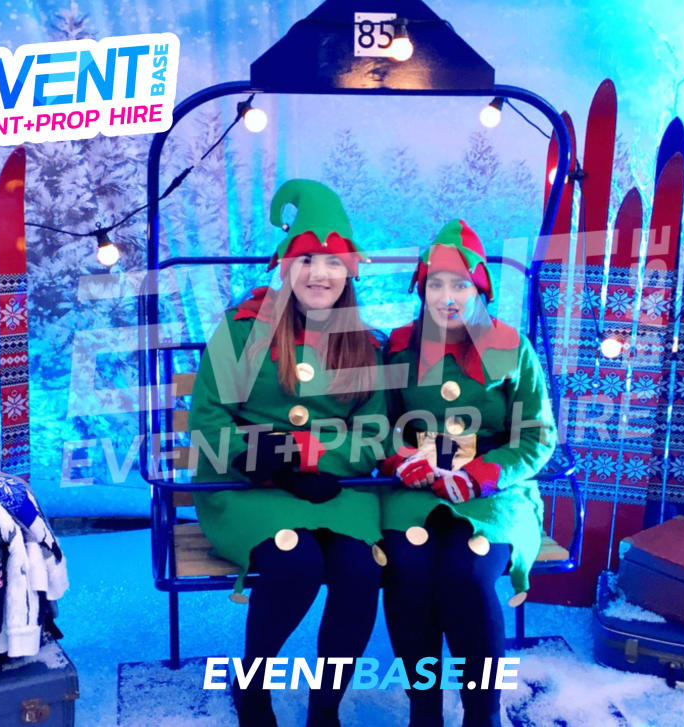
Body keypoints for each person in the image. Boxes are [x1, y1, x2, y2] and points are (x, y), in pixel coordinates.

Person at [187, 180, 388, 727]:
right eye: (306, 259)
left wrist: (320, 460)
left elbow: (375, 431)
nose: (319, 273)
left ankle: (326, 707)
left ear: (350, 270)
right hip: (249, 487)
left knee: (360, 570)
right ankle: (253, 688)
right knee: (294, 561)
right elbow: (209, 419)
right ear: (286, 265)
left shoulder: (365, 344)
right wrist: (276, 460)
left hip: (337, 491)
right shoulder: (241, 330)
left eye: (332, 261)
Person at [381, 219, 556, 727]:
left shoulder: (513, 347)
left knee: (468, 573)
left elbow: (537, 436)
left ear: (479, 288)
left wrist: (485, 473)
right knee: (408, 568)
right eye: (435, 284)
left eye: (459, 285)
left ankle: (483, 713)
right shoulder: (398, 348)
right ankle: (424, 710)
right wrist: (401, 456)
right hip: (416, 485)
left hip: (495, 490)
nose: (446, 297)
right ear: (421, 289)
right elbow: (376, 423)